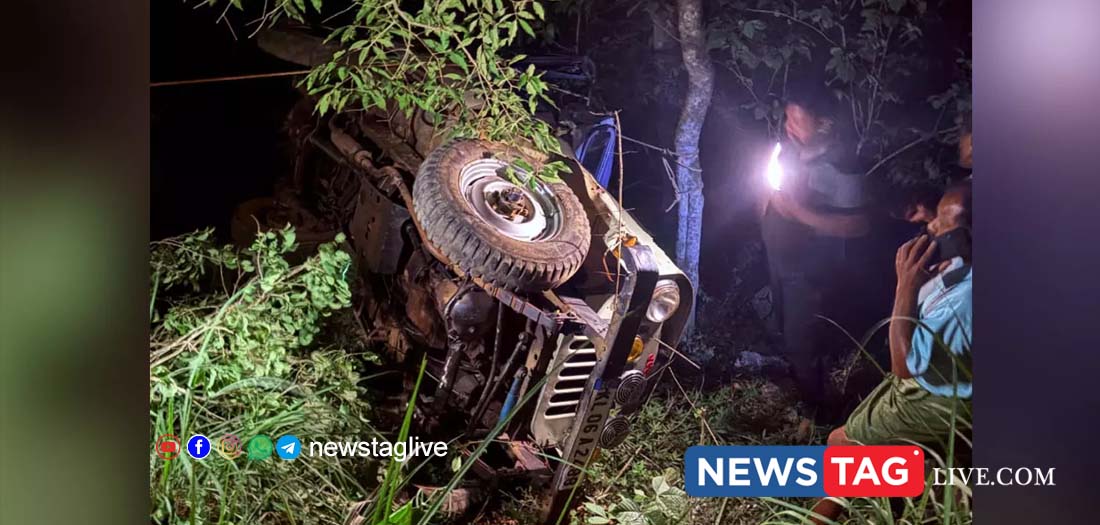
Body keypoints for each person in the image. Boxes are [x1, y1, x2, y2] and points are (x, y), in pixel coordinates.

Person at [810, 181, 973, 523]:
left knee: (842, 444)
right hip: (960, 383)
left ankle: (814, 519)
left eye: (943, 225)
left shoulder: (965, 300)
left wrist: (905, 286)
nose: (931, 227)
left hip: (939, 394)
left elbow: (904, 365)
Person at [761, 91, 870, 424]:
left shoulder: (842, 167)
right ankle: (800, 391)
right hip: (780, 259)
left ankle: (820, 416)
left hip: (811, 270)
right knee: (784, 327)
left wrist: (797, 213)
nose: (789, 126)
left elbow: (857, 225)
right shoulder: (790, 152)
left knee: (804, 341)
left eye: (797, 120)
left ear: (823, 124)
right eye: (787, 118)